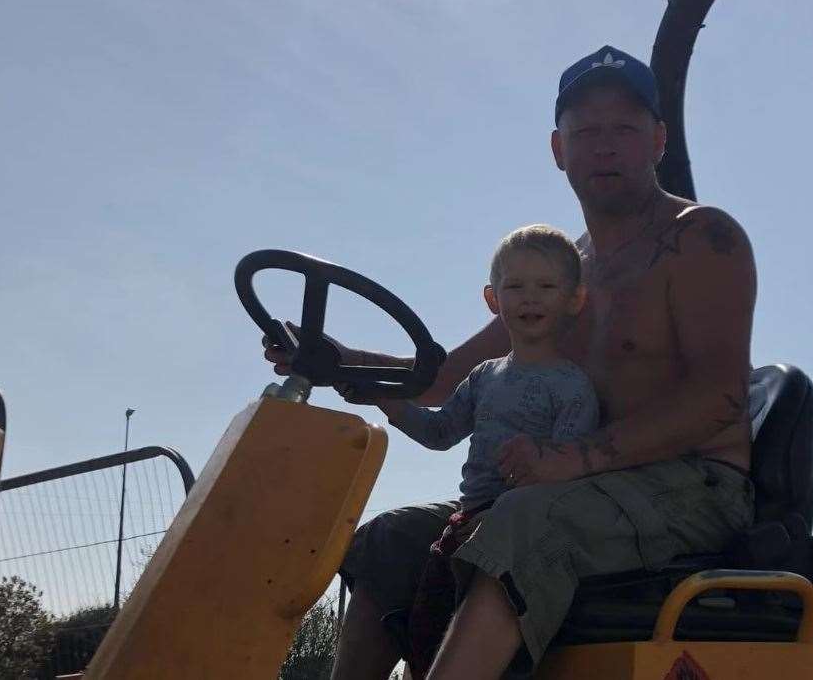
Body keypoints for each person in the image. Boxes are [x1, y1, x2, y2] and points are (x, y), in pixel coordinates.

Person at [264, 45, 758, 680]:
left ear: (658, 140)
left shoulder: (700, 239)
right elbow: (444, 381)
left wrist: (568, 462)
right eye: (586, 132)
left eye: (624, 129)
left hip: (694, 485)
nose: (604, 146)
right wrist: (343, 361)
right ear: (559, 150)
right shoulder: (558, 276)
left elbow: (719, 396)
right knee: (392, 539)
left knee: (523, 517)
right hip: (572, 487)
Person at [355, 224, 599, 677]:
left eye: (546, 287)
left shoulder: (573, 387)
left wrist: (540, 461)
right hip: (466, 519)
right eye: (516, 287)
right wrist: (383, 397)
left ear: (574, 300)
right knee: (422, 621)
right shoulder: (485, 376)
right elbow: (440, 431)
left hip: (513, 525)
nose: (530, 298)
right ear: (493, 300)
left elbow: (570, 470)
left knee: (449, 621)